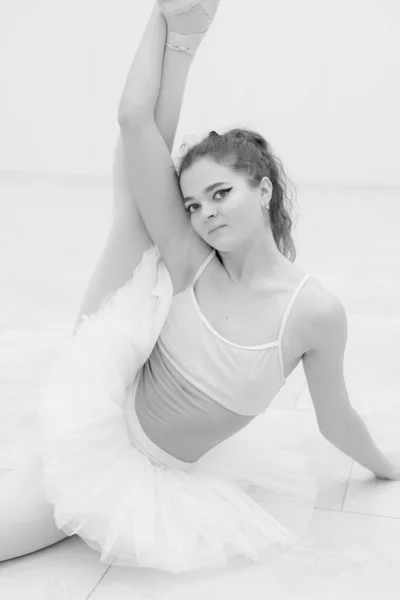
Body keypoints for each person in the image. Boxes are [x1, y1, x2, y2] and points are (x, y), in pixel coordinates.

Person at [1, 0, 397, 574]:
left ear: (263, 191)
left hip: (146, 468)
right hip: (94, 429)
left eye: (220, 194)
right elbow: (134, 120)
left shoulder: (313, 312)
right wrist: (166, 22)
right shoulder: (192, 262)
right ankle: (186, 25)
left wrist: (386, 467)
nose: (205, 213)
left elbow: (335, 418)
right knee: (131, 208)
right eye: (192, 203)